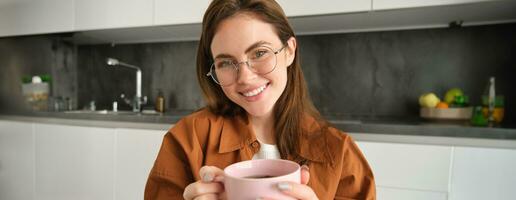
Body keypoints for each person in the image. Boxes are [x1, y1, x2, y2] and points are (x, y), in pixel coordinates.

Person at [144, 0, 376, 199]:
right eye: (225, 62)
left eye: (260, 53)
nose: (245, 77)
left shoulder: (341, 154)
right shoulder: (186, 140)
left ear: (289, 51)